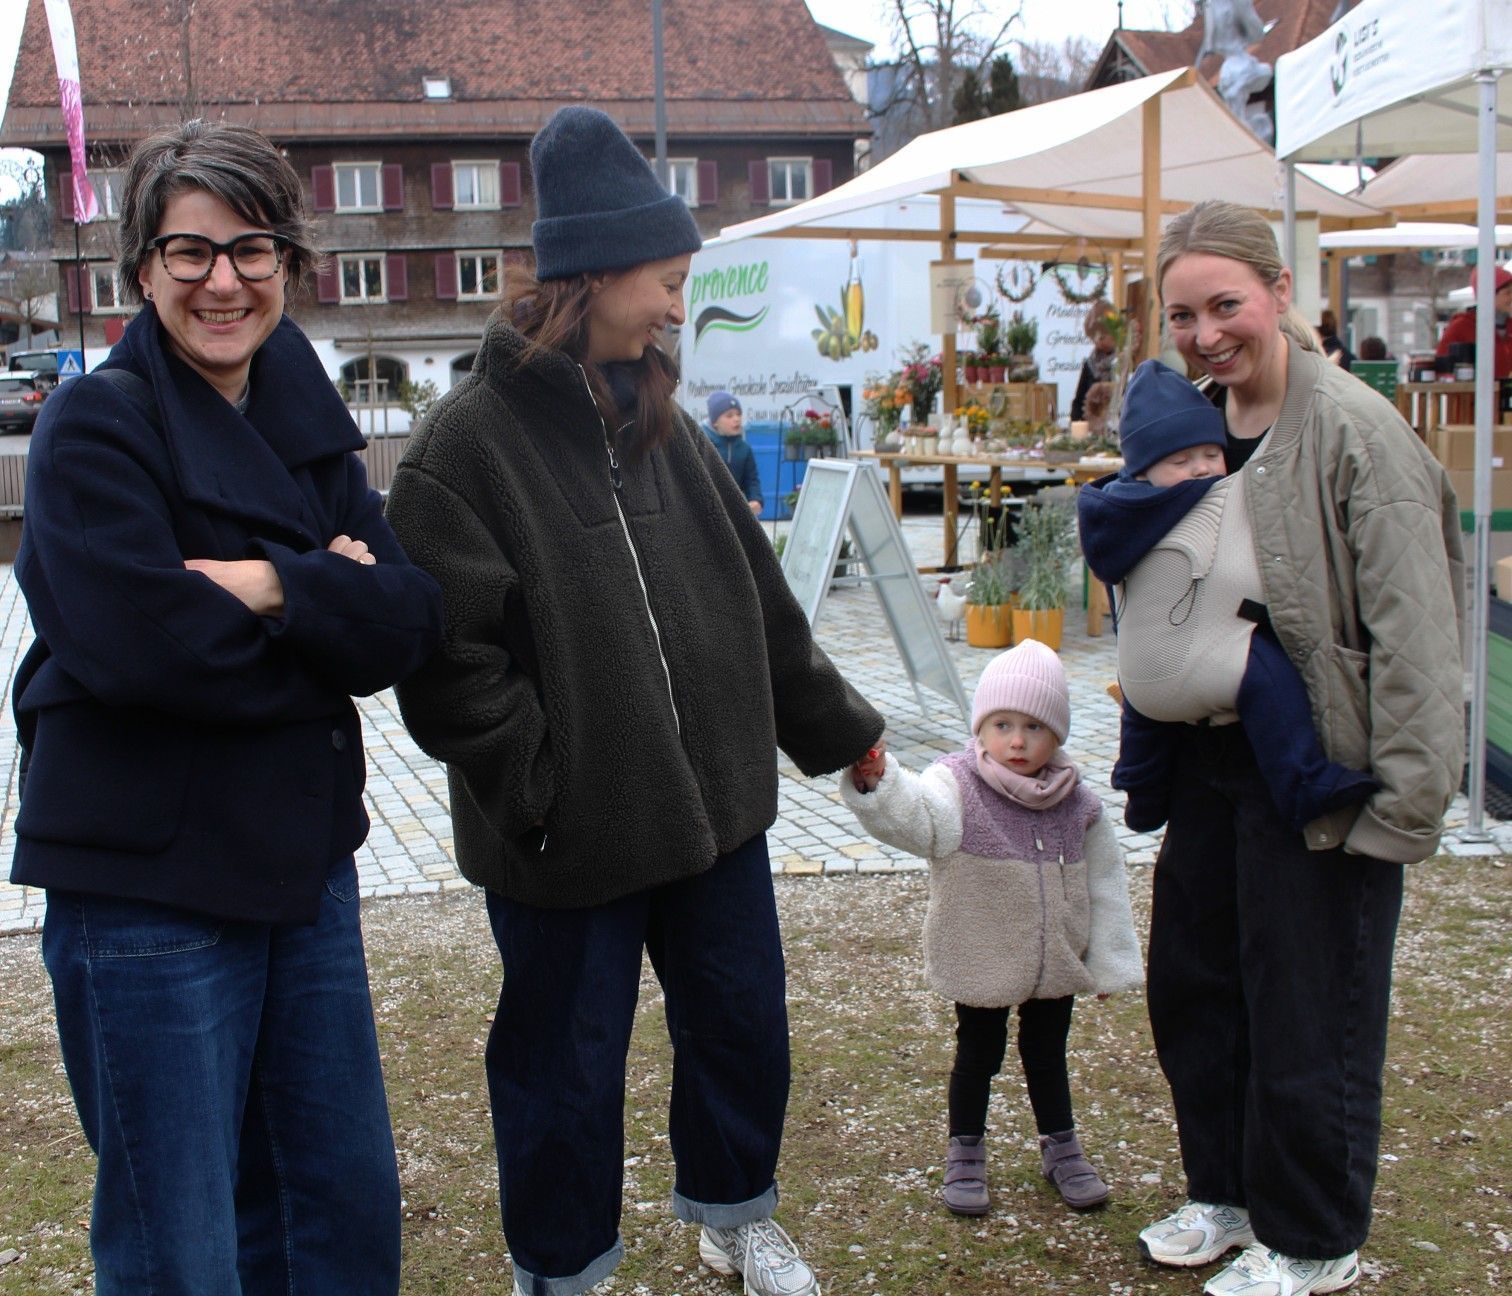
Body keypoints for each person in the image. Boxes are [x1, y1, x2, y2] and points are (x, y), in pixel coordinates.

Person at [383, 106, 885, 1296]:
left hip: (717, 818)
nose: (675, 305)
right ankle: (561, 1270)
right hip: (567, 837)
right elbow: (446, 662)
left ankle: (735, 1214)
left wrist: (843, 734)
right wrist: (540, 791)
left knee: (742, 1029)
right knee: (562, 1071)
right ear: (593, 274)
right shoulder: (464, 449)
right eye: (665, 281)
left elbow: (758, 605)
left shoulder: (666, 428)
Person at [10, 120, 444, 1295]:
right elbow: (143, 649)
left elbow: (408, 622)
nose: (222, 282)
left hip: (302, 874)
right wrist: (325, 594)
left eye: (251, 250)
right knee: (180, 1247)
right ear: (142, 270)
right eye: (189, 252)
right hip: (149, 892)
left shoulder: (306, 429)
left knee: (335, 1216)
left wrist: (259, 587)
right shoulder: (94, 426)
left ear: (290, 265)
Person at [1132, 200, 1463, 1296]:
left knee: (1309, 1007)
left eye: (1225, 305)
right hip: (1214, 767)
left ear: (1279, 292)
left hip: (1324, 771)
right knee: (1199, 988)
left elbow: (1419, 635)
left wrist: (1406, 807)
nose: (1205, 332)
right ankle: (1227, 1194)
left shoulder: (1359, 435)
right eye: (1182, 313)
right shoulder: (1192, 428)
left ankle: (1316, 1239)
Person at [840, 640, 1142, 1217]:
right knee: (978, 1055)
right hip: (982, 954)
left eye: (1034, 726)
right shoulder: (957, 785)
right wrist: (882, 781)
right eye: (1003, 724)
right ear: (981, 727)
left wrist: (1108, 960)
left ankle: (1062, 1147)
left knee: (1048, 1053)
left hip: (1056, 959)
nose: (1018, 741)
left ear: (1058, 734)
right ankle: (966, 1151)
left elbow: (1106, 886)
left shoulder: (1079, 803)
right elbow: (917, 821)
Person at [1077, 359, 1378, 834]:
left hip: (1142, 676)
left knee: (1141, 703)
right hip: (1220, 660)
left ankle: (1142, 792)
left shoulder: (1112, 513)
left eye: (1210, 454)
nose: (1200, 469)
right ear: (1142, 472)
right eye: (1180, 461)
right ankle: (1303, 781)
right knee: (1268, 673)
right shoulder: (1206, 498)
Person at [1436, 263, 1512, 379]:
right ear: (1488, 295)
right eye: (1508, 293)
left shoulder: (1509, 326)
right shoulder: (1462, 327)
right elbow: (1443, 371)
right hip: (1475, 396)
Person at [703, 389, 763, 515]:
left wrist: (756, 500)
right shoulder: (702, 445)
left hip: (736, 513)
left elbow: (751, 480)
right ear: (715, 422)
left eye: (738, 414)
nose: (736, 419)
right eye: (729, 415)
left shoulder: (744, 449)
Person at [1070, 298, 1117, 422]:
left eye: (1102, 337)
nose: (1098, 342)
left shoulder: (1123, 362)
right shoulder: (1089, 365)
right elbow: (1079, 401)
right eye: (1093, 338)